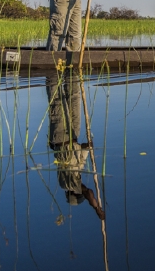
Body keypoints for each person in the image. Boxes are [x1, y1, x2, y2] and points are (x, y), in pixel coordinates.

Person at [45, 72, 105, 220]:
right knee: (74, 96)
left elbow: (89, 193)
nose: (83, 188)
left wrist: (97, 209)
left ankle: (52, 71)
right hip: (73, 135)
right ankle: (71, 72)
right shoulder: (77, 173)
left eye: (80, 192)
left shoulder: (67, 184)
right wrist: (88, 146)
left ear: (75, 193)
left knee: (57, 101)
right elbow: (83, 151)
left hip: (61, 136)